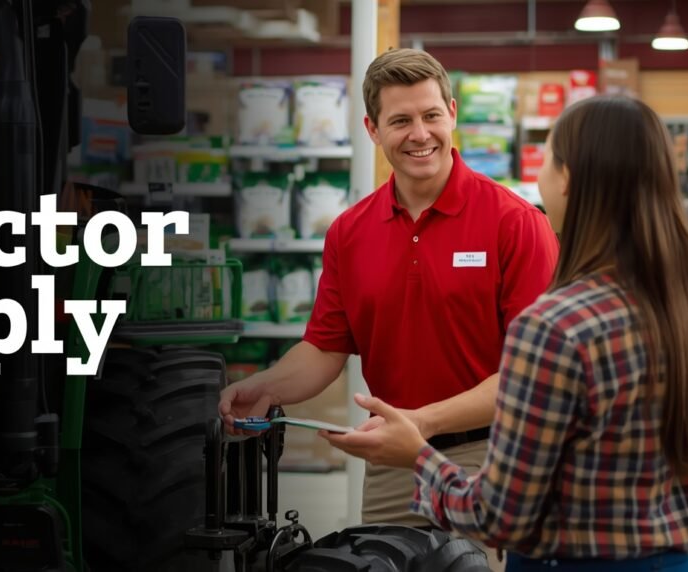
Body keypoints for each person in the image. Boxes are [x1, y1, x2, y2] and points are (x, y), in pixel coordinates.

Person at [323, 95, 688, 572]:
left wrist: (418, 457)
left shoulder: (554, 328)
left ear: (570, 181)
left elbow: (499, 517)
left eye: (548, 160)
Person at [218, 48, 559, 568]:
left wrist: (418, 425)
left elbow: (529, 375)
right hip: (392, 470)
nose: (420, 134)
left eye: (431, 116)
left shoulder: (514, 224)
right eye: (400, 120)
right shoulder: (350, 232)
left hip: (493, 456)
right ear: (373, 129)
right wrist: (265, 387)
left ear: (452, 112)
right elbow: (325, 347)